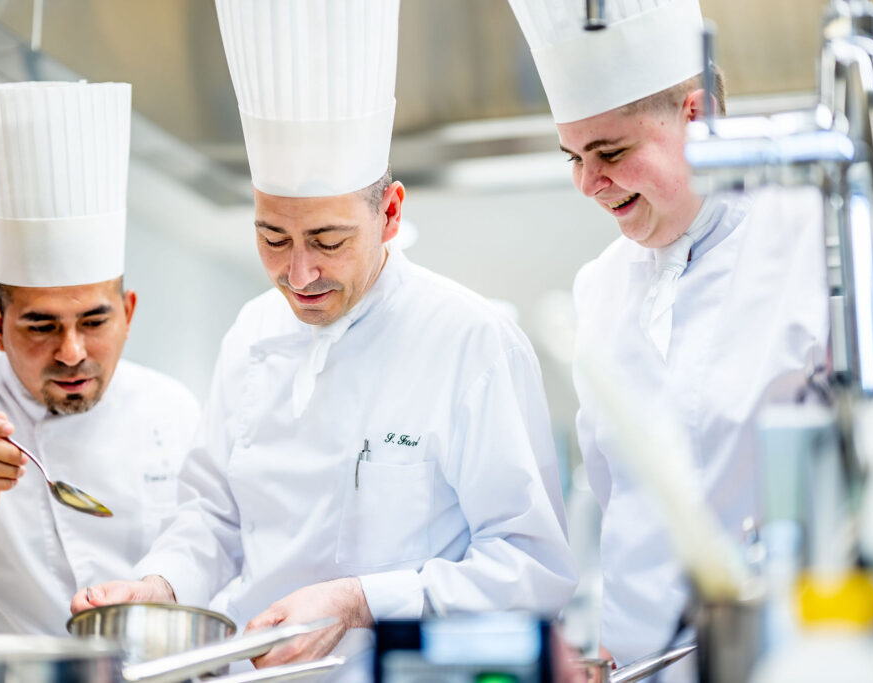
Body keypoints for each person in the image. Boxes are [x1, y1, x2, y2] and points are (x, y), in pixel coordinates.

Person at [72, 0, 578, 672]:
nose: (298, 273)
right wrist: (161, 585)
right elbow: (214, 518)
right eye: (272, 238)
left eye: (328, 241)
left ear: (389, 213)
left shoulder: (470, 340)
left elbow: (531, 567)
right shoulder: (252, 332)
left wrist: (361, 600)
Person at [507, 0, 828, 675]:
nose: (588, 183)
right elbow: (614, 504)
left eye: (611, 152)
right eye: (573, 157)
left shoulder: (814, 246)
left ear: (697, 114)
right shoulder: (599, 288)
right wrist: (594, 645)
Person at [0, 81, 200, 635]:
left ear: (128, 314)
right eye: (41, 326)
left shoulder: (174, 409)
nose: (71, 352)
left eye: (94, 322)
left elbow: (211, 544)